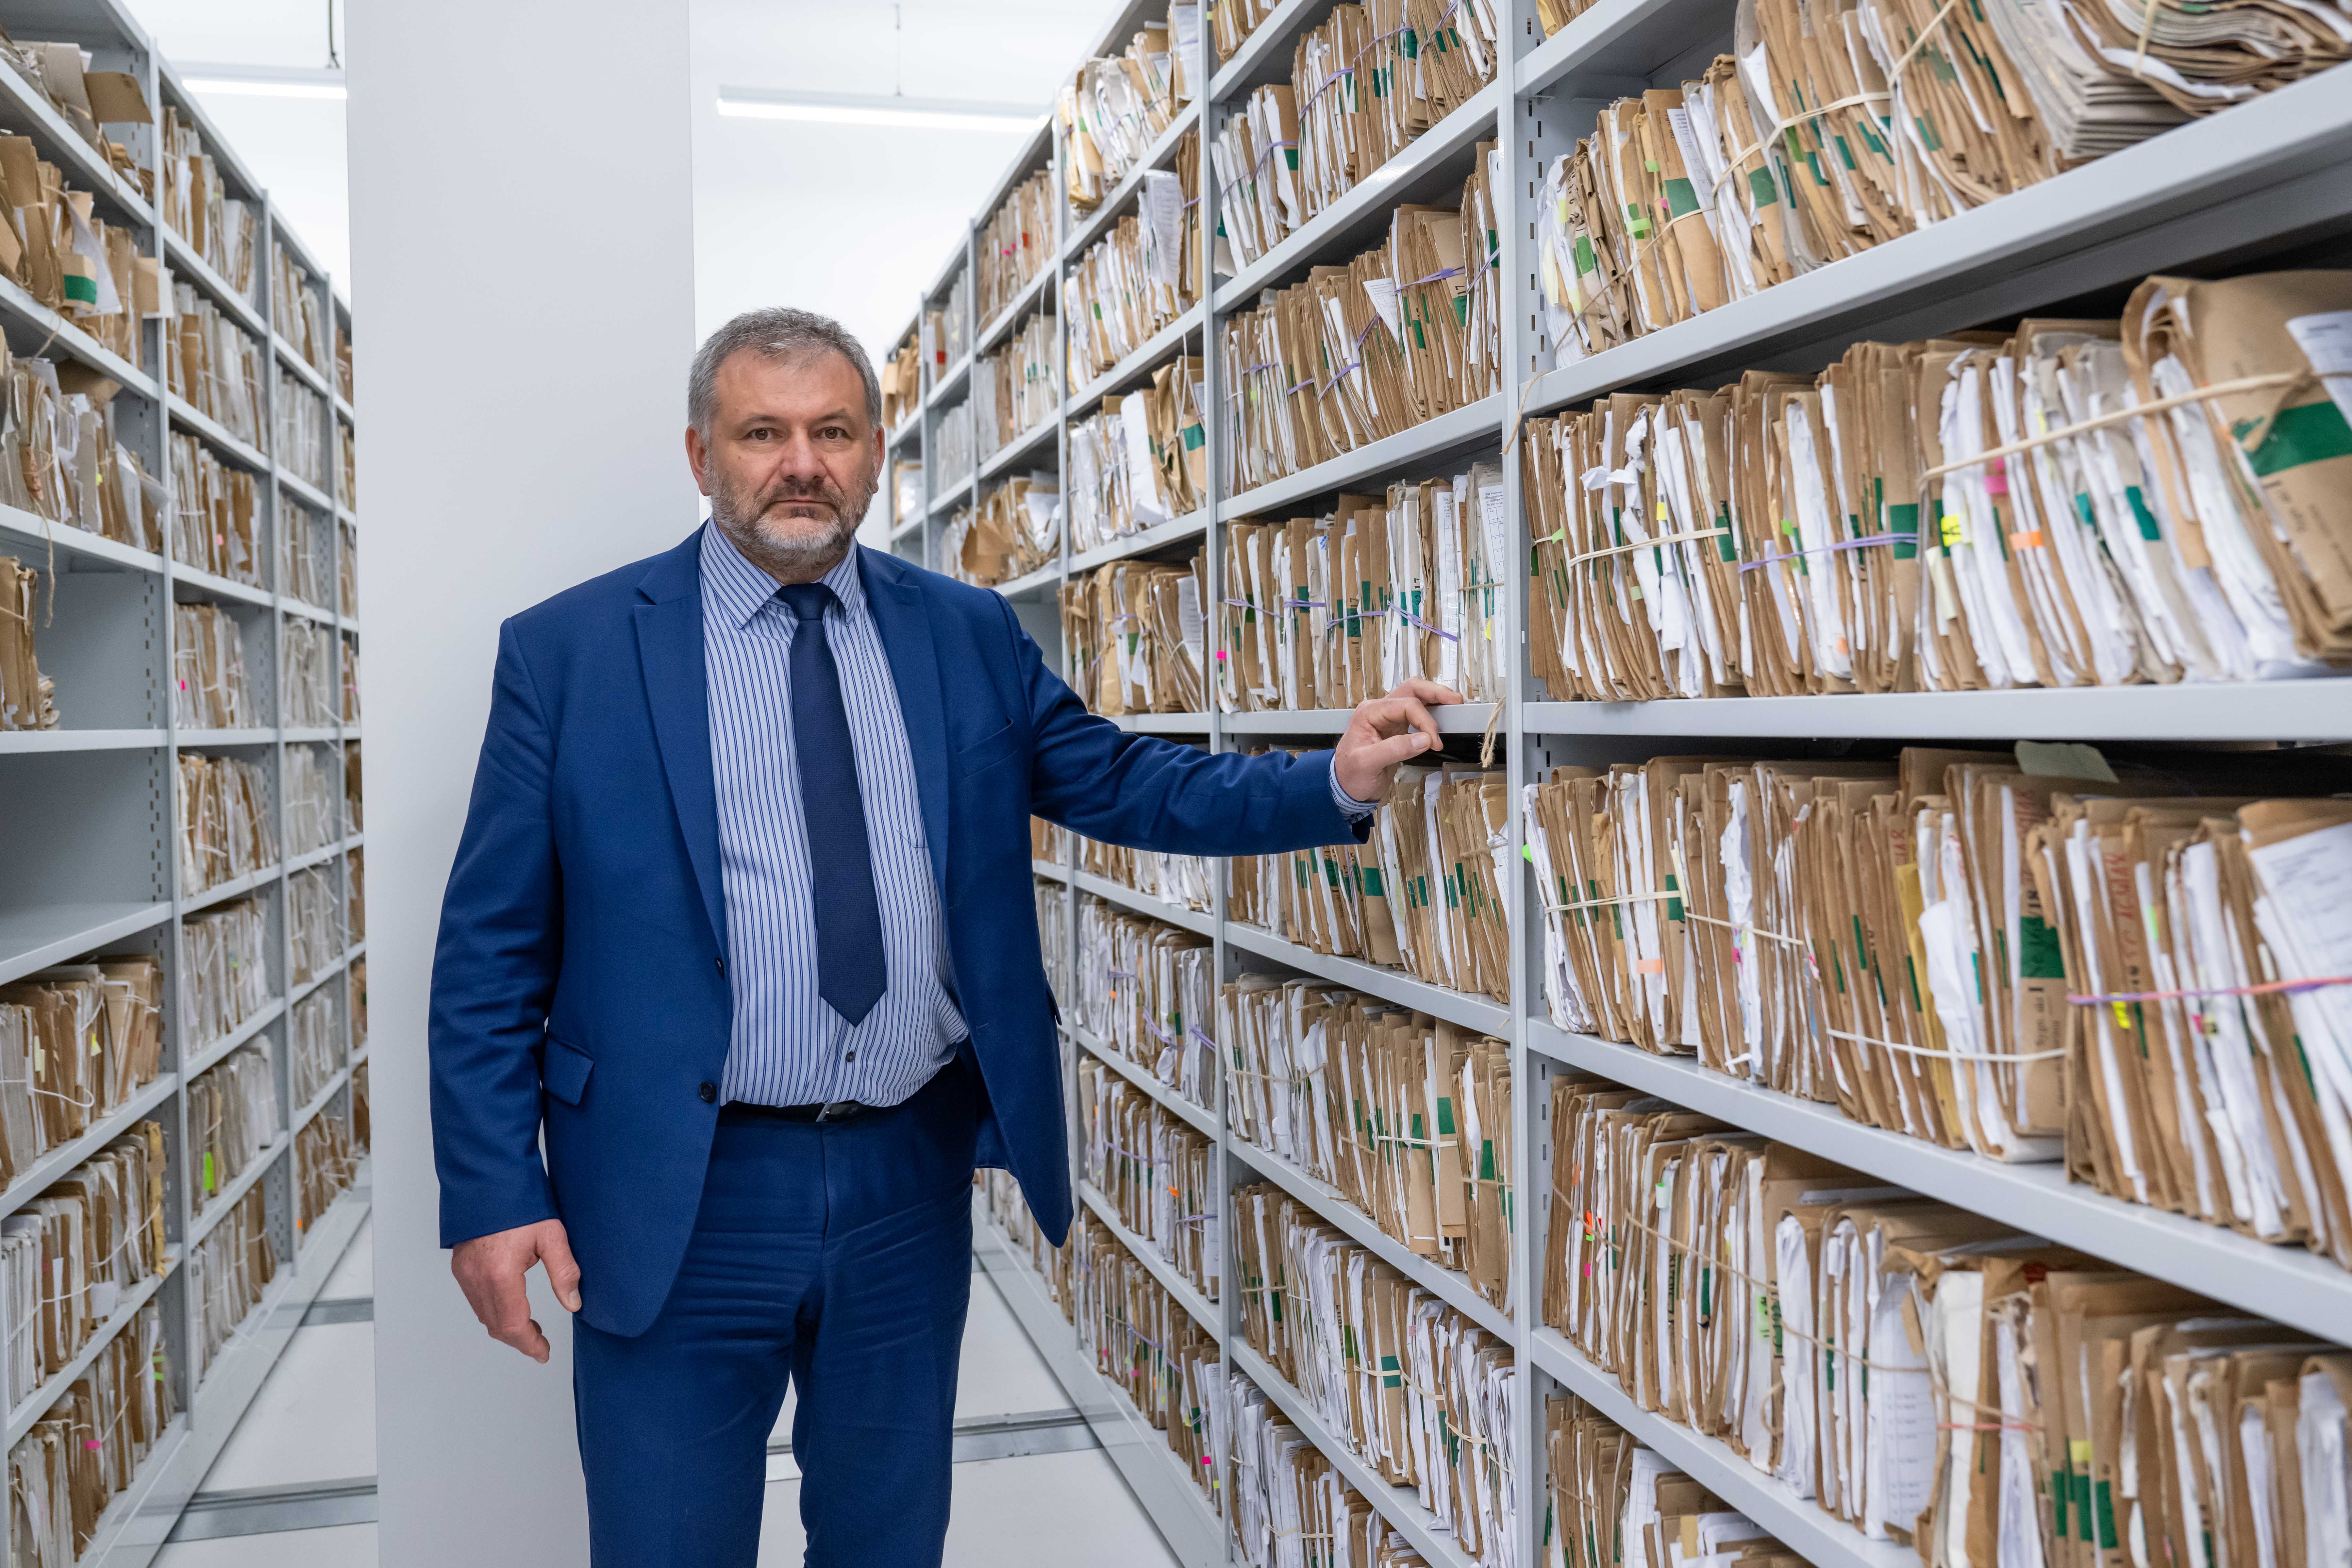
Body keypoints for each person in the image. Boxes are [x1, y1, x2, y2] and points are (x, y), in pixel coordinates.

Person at [428, 306, 1461, 1567]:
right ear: (701, 455)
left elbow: (1121, 781)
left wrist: (1331, 781)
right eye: (762, 433)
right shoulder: (572, 652)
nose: (801, 463)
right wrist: (493, 1194)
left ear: (877, 454)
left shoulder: (965, 633)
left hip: (903, 1182)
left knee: (889, 1539)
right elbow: (489, 957)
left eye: (833, 433)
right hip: (676, 1191)